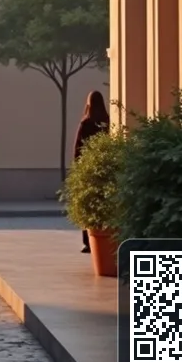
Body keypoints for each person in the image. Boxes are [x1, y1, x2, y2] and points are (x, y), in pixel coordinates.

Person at [73, 89, 110, 252]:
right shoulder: (107, 121)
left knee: (88, 204)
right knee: (103, 205)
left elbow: (78, 148)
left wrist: (77, 168)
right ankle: (104, 236)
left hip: (87, 170)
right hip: (105, 168)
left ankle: (88, 241)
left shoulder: (86, 123)